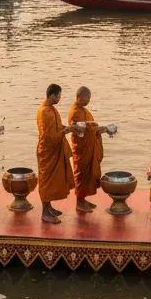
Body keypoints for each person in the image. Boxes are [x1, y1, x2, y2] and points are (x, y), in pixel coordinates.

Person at [36, 83, 76, 224]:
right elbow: (49, 137)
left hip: (53, 149)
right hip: (48, 151)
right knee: (46, 181)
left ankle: (49, 208)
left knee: (52, 182)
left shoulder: (50, 109)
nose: (59, 98)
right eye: (59, 95)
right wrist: (66, 131)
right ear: (53, 95)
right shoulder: (45, 112)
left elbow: (57, 128)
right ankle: (44, 213)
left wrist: (68, 128)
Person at [68, 86, 106, 213]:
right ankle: (79, 202)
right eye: (86, 99)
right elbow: (81, 129)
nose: (88, 101)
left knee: (87, 174)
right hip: (81, 148)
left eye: (89, 99)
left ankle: (83, 200)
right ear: (79, 97)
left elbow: (88, 126)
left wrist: (97, 129)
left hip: (88, 146)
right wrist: (96, 127)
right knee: (81, 174)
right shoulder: (75, 112)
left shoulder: (83, 110)